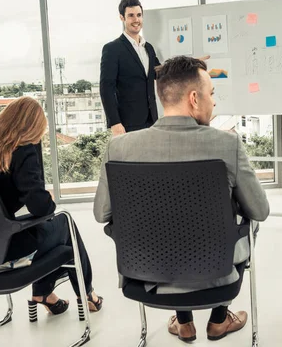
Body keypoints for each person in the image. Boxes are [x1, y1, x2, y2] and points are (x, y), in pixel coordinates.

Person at [94, 56, 270, 342]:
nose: (213, 102)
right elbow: (260, 210)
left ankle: (184, 322)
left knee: (168, 222)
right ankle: (219, 318)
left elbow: (102, 214)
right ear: (193, 98)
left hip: (146, 274)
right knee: (243, 217)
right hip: (218, 273)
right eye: (211, 94)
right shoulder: (227, 144)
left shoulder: (119, 148)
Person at [0, 97, 103, 317]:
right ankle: (85, 294)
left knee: (53, 234)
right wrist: (47, 198)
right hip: (6, 249)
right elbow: (41, 208)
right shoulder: (21, 151)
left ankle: (46, 295)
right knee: (65, 224)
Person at [100, 0, 161, 135]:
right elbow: (106, 88)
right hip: (127, 123)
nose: (136, 20)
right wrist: (115, 122)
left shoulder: (149, 48)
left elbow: (160, 72)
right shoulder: (112, 49)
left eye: (139, 15)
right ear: (122, 18)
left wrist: (189, 65)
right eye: (131, 15)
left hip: (152, 121)